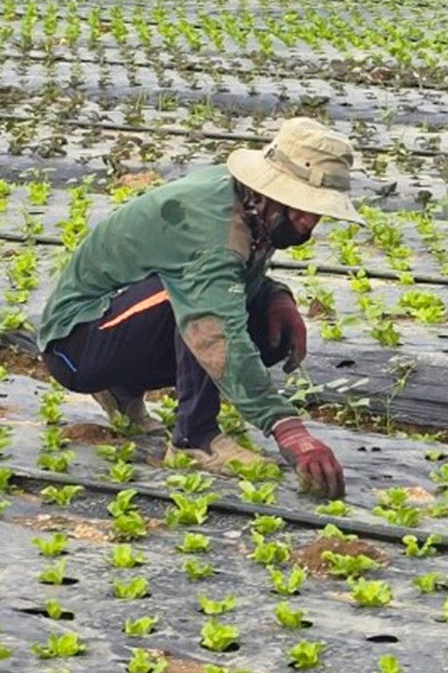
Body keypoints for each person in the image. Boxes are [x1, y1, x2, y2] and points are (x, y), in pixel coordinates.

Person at [36, 117, 362, 499]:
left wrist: (275, 297)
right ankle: (195, 438)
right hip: (75, 341)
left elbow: (235, 279)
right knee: (205, 311)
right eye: (301, 206)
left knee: (263, 330)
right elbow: (214, 325)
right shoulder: (215, 225)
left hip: (120, 323)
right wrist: (286, 427)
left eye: (316, 209)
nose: (309, 222)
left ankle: (122, 388)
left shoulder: (257, 206)